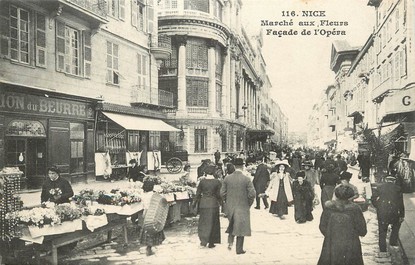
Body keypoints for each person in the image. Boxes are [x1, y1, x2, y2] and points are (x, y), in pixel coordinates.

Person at [317, 184, 367, 265]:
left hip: (331, 245)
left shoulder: (329, 208)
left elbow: (322, 227)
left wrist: (332, 234)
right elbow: (362, 230)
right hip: (352, 245)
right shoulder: (355, 209)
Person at [220, 158, 256, 255]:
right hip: (243, 206)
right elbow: (252, 194)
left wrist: (227, 202)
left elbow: (222, 193)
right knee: (241, 227)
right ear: (243, 166)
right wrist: (248, 204)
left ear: (234, 166)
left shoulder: (227, 178)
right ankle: (239, 249)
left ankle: (230, 242)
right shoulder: (247, 179)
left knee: (232, 222)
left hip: (230, 206)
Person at [371, 175, 405, 254]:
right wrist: (402, 215)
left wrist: (378, 206)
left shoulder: (379, 187)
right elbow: (401, 203)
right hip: (394, 211)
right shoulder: (398, 188)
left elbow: (373, 198)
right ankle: (393, 242)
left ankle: (382, 249)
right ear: (393, 181)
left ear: (385, 180)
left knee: (382, 230)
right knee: (396, 225)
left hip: (382, 211)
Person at [193, 165, 222, 248]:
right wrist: (222, 203)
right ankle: (211, 242)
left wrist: (194, 204)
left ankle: (203, 241)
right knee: (213, 223)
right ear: (213, 173)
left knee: (203, 223)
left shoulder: (202, 182)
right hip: (213, 204)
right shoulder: (217, 182)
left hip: (203, 204)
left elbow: (198, 194)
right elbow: (219, 195)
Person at [139, 179, 166, 256]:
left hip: (146, 212)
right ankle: (151, 246)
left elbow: (144, 206)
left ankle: (148, 245)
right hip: (153, 213)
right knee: (154, 228)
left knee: (147, 229)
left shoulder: (143, 195)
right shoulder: (154, 195)